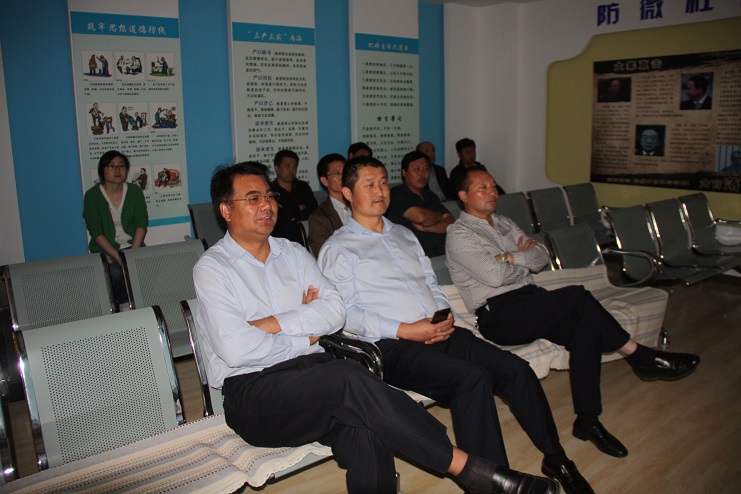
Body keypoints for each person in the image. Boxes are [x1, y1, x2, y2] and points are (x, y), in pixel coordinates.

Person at [193, 161, 559, 494]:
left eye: (269, 196)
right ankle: (470, 469)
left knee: (365, 425)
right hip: (255, 392)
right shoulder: (213, 269)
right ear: (226, 210)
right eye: (253, 198)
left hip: (313, 378)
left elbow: (334, 311)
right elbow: (237, 350)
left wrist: (275, 324)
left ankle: (489, 475)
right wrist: (306, 330)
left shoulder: (293, 253)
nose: (267, 205)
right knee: (348, 377)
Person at [319, 156, 591, 494]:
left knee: (515, 370)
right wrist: (405, 329)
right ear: (347, 193)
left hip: (439, 331)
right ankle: (493, 484)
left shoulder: (404, 235)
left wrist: (444, 314)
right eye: (369, 184)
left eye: (384, 182)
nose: (380, 191)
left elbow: (431, 284)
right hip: (393, 346)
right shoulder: (338, 248)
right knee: (471, 379)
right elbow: (345, 314)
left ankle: (557, 458)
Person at [445, 166, 701, 463]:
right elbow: (494, 276)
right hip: (499, 315)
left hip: (532, 301)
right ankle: (639, 355)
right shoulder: (459, 234)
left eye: (493, 186)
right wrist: (520, 262)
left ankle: (588, 420)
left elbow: (541, 257)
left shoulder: (504, 222)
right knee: (576, 297)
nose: (492, 192)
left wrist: (511, 257)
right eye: (482, 187)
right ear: (463, 195)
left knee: (584, 332)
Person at [83, 150, 148, 305]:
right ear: (102, 170)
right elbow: (96, 231)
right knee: (116, 272)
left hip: (133, 246)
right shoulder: (92, 196)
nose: (117, 170)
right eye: (111, 166)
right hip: (106, 249)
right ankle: (125, 307)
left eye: (121, 166)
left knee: (147, 269)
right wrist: (118, 257)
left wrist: (132, 254)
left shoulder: (134, 191)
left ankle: (142, 305)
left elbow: (141, 223)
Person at [385, 150, 453, 257]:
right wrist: (440, 216)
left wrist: (428, 228)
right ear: (404, 172)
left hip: (444, 250)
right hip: (416, 255)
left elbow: (451, 224)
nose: (422, 174)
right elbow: (421, 218)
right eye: (417, 169)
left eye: (426, 169)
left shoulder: (430, 195)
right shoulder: (396, 194)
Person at [270, 149, 318, 246]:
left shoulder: (303, 186)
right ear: (277, 168)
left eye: (294, 167)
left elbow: (313, 209)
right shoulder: (271, 189)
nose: (292, 170)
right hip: (281, 237)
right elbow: (279, 216)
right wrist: (299, 208)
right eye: (288, 166)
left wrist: (292, 214)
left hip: (306, 234)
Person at [308, 153, 349, 255]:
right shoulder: (318, 217)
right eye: (337, 173)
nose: (343, 177)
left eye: (345, 172)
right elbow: (324, 255)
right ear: (325, 181)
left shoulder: (362, 206)